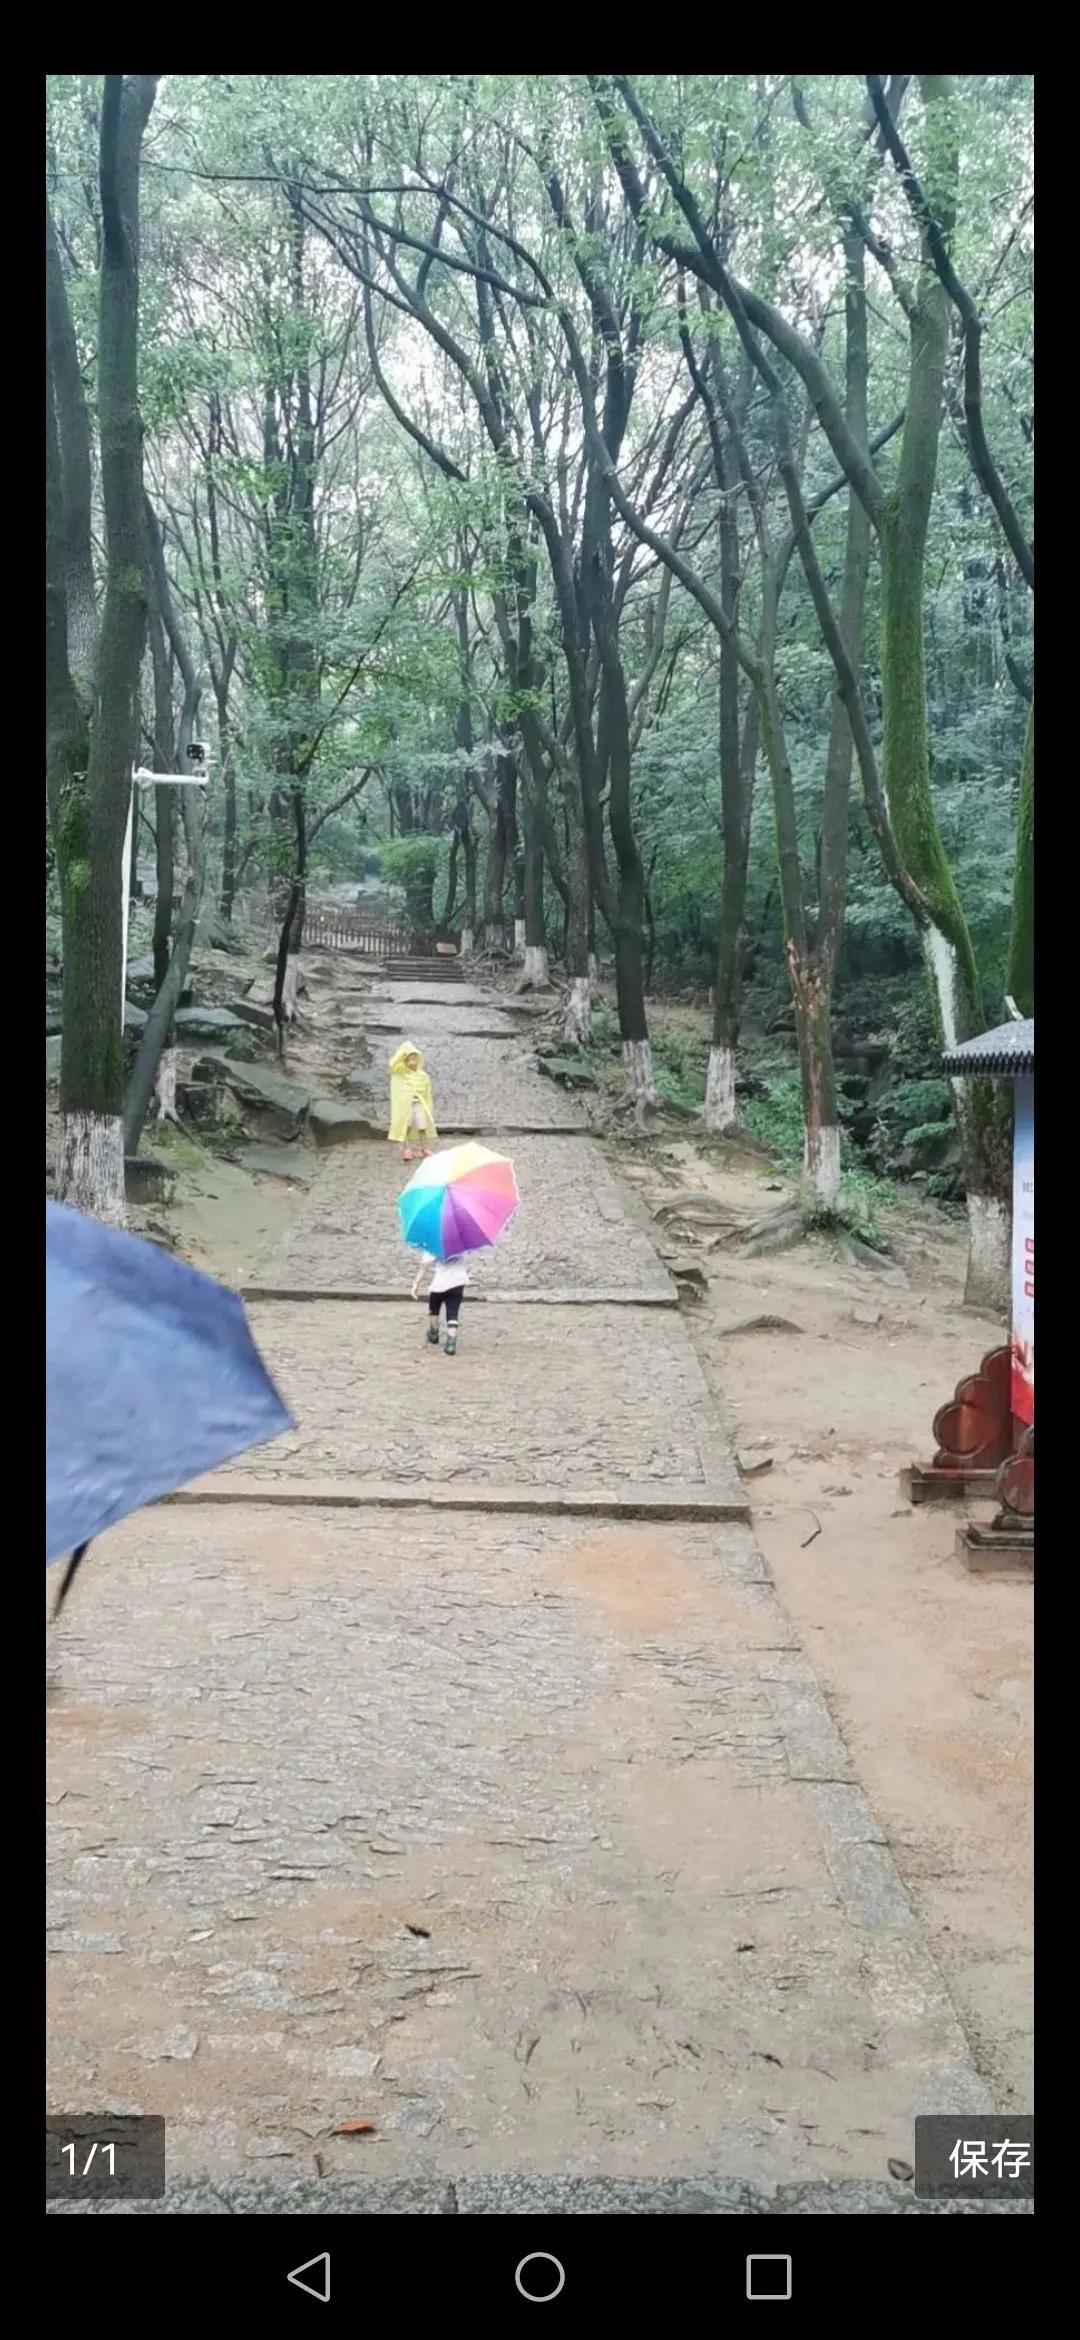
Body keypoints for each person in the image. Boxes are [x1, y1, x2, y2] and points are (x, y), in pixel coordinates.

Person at [387, 1041, 438, 1164]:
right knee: (406, 1125)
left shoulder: (423, 1076)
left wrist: (428, 1106)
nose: (412, 1063)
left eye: (414, 1059)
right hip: (405, 1105)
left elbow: (427, 1093)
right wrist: (404, 1050)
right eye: (409, 1060)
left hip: (418, 1104)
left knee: (422, 1125)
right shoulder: (400, 1073)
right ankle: (406, 1148)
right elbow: (393, 1064)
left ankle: (424, 1148)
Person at [411, 1250, 469, 1357]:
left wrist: (415, 1284)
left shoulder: (434, 1245)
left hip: (440, 1284)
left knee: (434, 1308)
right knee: (453, 1312)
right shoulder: (461, 1244)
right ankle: (451, 1344)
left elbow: (424, 1266)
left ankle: (433, 1333)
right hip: (458, 1283)